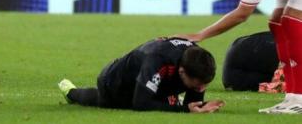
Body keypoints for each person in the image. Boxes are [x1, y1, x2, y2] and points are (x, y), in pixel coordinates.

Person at [58, 38, 223, 113]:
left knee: (167, 101)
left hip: (148, 77)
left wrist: (200, 106)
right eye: (197, 85)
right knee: (107, 102)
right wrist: (184, 109)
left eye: (205, 84)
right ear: (181, 71)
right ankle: (71, 92)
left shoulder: (195, 61)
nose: (201, 89)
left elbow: (191, 104)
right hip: (115, 82)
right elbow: (141, 103)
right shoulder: (159, 60)